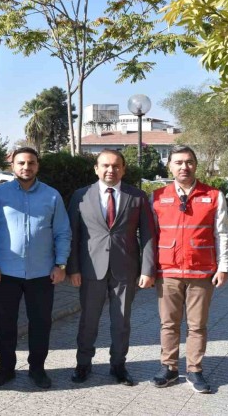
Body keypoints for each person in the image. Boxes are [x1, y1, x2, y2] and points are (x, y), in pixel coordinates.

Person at [0, 147, 72, 389]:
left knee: (41, 324)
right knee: (4, 324)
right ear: (12, 165)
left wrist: (60, 264)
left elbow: (62, 232)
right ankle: (5, 369)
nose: (26, 167)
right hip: (4, 274)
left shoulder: (52, 195)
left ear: (37, 165)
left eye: (31, 163)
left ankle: (37, 369)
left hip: (42, 274)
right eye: (21, 163)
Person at [66, 149, 156, 386]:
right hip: (90, 270)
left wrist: (147, 269)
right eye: (105, 165)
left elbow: (148, 234)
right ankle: (83, 364)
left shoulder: (137, 197)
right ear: (96, 169)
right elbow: (73, 234)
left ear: (123, 169)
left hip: (125, 270)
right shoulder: (81, 195)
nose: (110, 170)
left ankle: (118, 366)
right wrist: (73, 269)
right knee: (88, 321)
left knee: (121, 322)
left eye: (116, 166)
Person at [150, 145, 228, 394]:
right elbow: (150, 237)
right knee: (168, 324)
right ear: (169, 166)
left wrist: (224, 267)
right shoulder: (157, 196)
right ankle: (169, 368)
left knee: (197, 325)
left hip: (201, 272)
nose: (184, 167)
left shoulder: (214, 195)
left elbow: (222, 234)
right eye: (178, 162)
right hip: (168, 272)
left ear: (196, 165)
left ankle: (194, 370)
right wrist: (148, 269)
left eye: (189, 162)